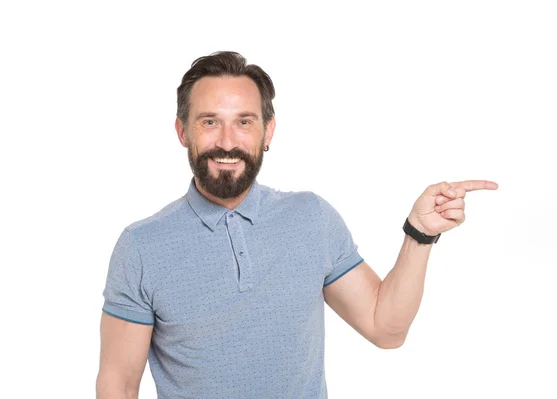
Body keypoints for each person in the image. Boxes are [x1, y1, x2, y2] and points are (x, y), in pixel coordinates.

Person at [96, 51, 498, 398]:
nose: (227, 141)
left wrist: (419, 234)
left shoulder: (311, 218)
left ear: (267, 131)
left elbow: (385, 329)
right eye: (209, 122)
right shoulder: (142, 246)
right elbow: (118, 386)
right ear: (183, 131)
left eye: (244, 122)